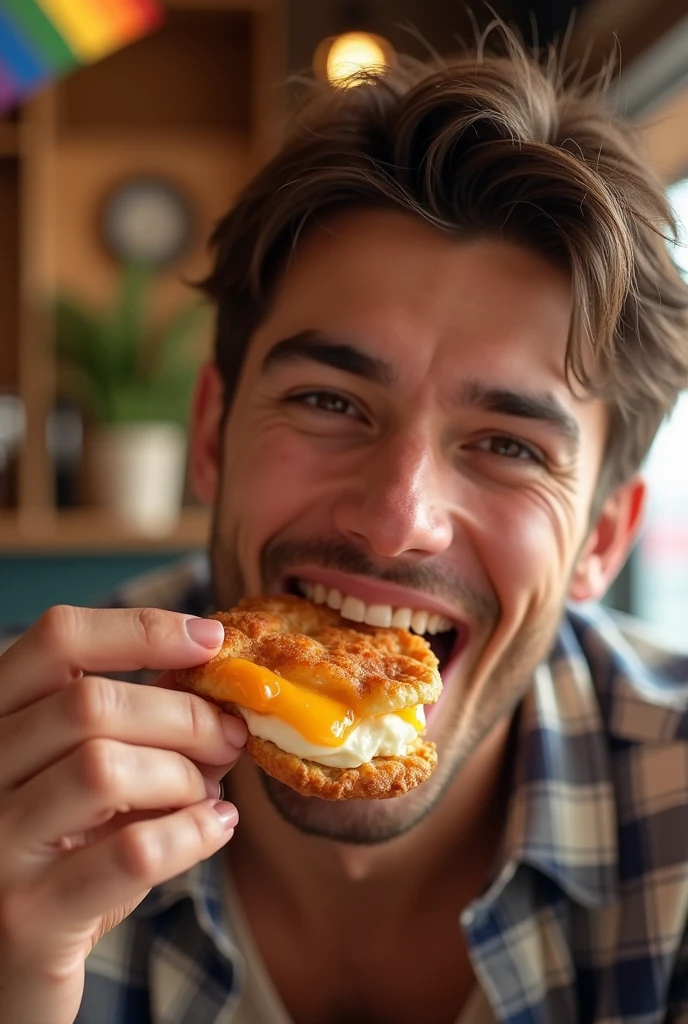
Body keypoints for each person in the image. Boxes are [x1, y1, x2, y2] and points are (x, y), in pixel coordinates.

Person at [2, 33, 688, 1024]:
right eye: (329, 401)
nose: (396, 517)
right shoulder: (22, 779)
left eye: (508, 446)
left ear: (601, 541)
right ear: (210, 434)